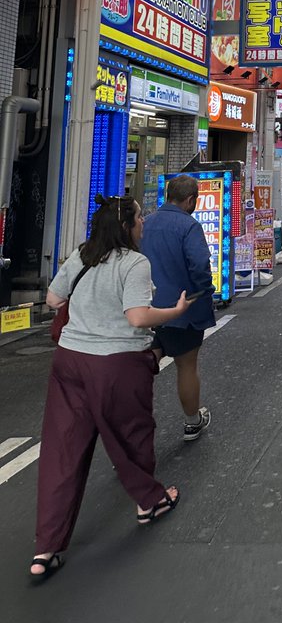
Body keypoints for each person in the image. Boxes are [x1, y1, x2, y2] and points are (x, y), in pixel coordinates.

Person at [31, 195, 191, 581]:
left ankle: (45, 549)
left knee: (63, 450)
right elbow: (137, 317)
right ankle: (149, 502)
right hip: (117, 363)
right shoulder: (135, 263)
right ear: (127, 226)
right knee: (132, 435)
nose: (143, 224)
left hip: (69, 361)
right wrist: (175, 311)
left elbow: (54, 298)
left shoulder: (83, 254)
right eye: (139, 218)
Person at [140, 174, 215, 442]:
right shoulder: (189, 226)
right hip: (182, 309)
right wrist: (205, 291)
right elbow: (199, 266)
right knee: (186, 366)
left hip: (144, 309)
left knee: (143, 367)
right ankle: (192, 422)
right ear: (191, 199)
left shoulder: (145, 223)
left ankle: (134, 426)